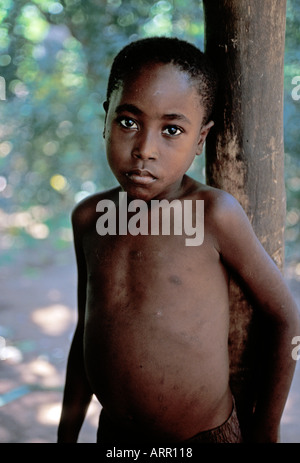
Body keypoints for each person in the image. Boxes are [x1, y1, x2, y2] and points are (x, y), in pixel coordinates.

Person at [57, 37, 299, 444]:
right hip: (115, 437)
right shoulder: (89, 219)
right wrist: (66, 434)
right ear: (106, 120)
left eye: (172, 130)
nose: (144, 150)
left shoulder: (213, 214)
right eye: (128, 122)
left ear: (200, 139)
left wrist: (267, 429)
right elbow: (87, 329)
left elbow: (286, 319)